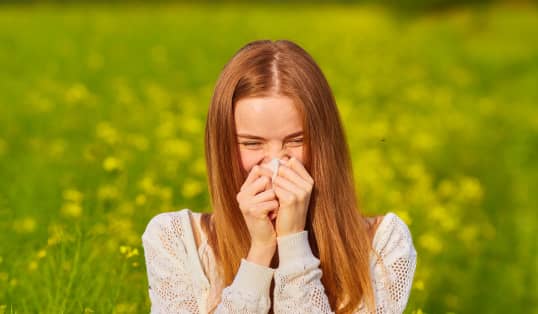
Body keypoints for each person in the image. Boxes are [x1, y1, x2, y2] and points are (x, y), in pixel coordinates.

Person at [141, 39, 417, 314]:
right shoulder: (174, 239)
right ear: (223, 147)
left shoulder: (383, 245)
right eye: (251, 144)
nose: (276, 164)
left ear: (324, 144)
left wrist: (294, 244)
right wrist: (259, 253)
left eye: (296, 141)